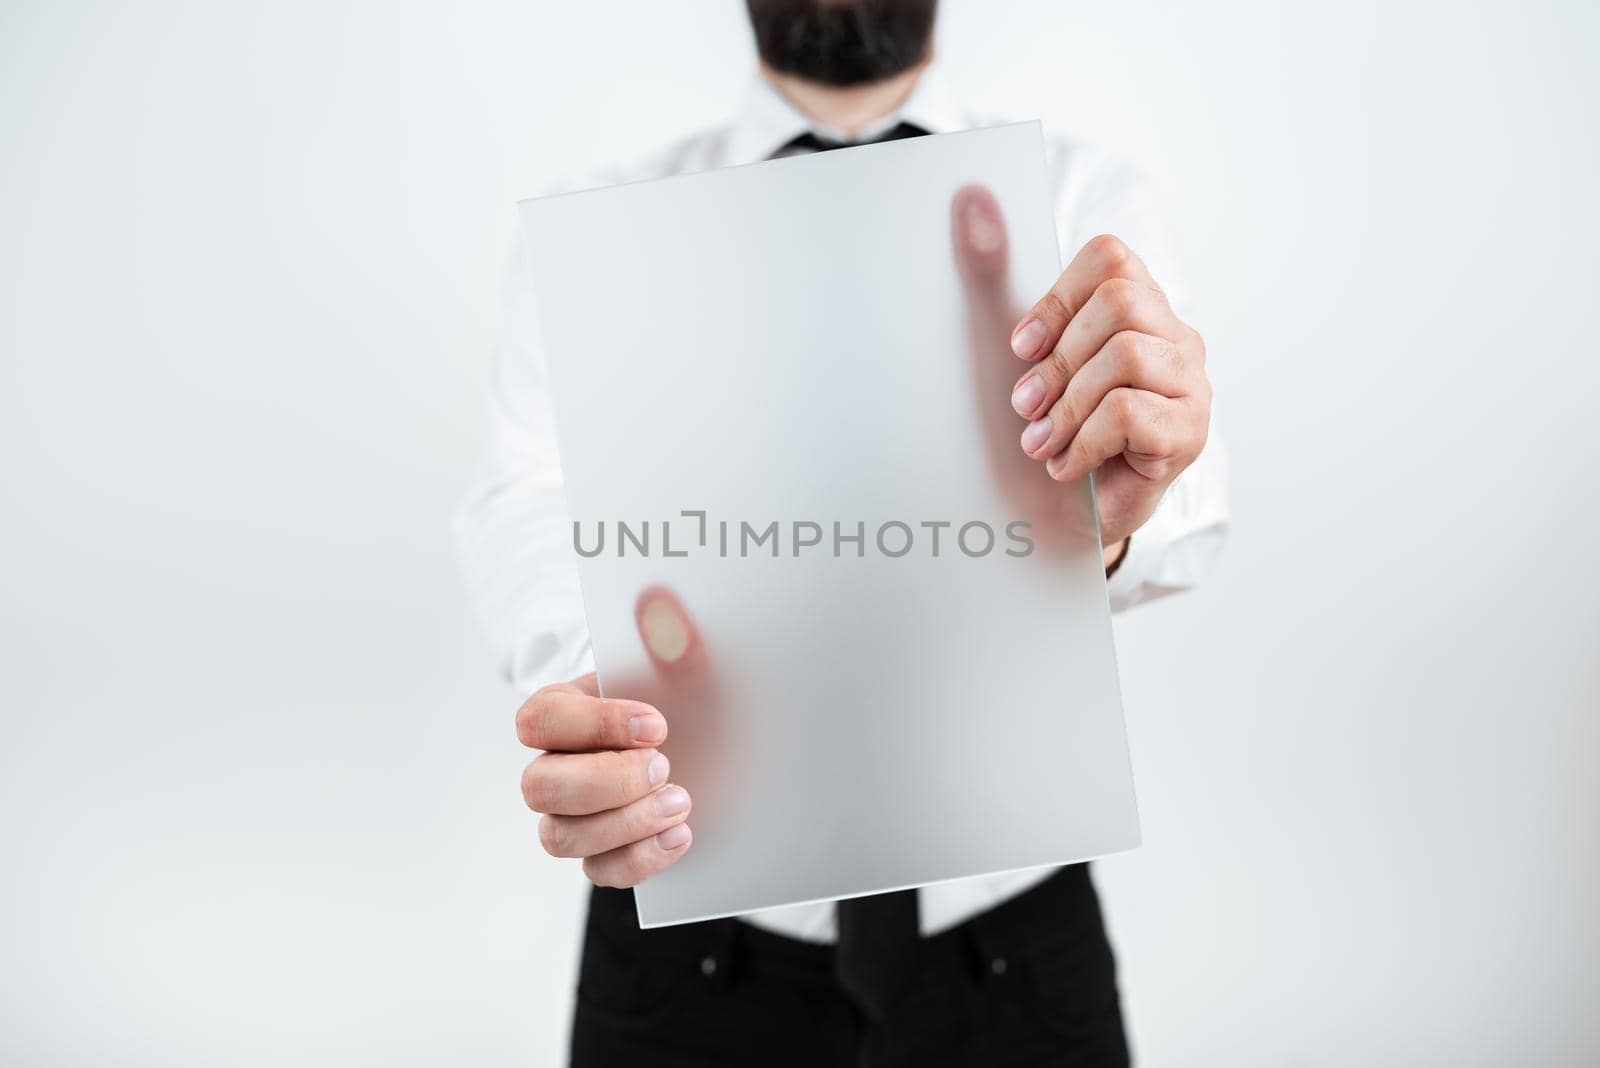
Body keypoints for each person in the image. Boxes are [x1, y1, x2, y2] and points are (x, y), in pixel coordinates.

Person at [456, 1, 1229, 1063]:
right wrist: (610, 704)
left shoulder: (1080, 202)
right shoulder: (600, 229)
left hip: (1014, 956)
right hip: (689, 957)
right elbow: (526, 503)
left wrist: (1106, 517)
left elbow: (1192, 503)